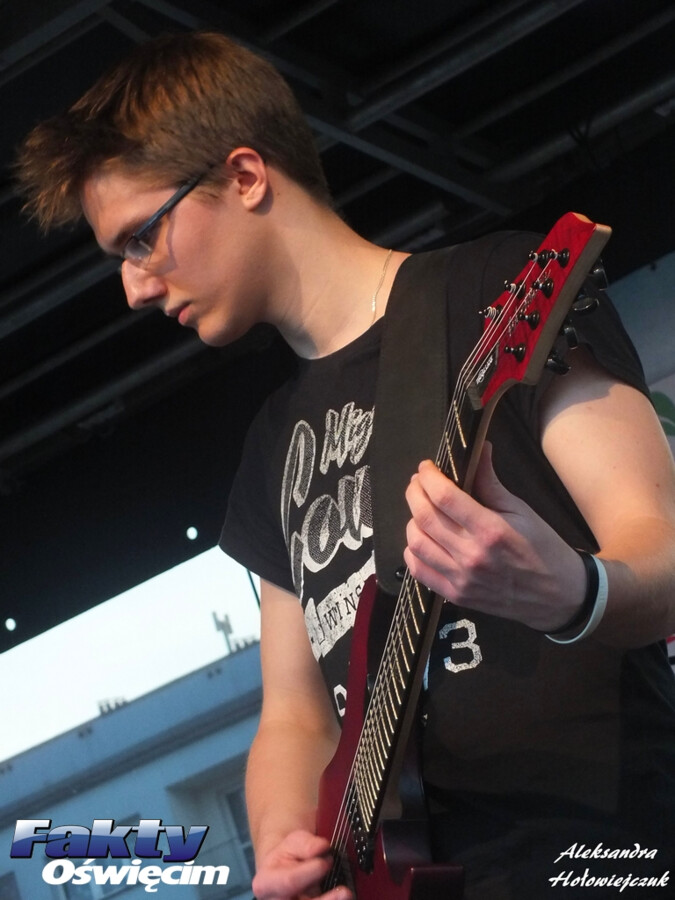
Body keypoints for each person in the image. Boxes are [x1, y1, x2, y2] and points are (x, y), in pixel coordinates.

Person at [15, 31, 675, 899]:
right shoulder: (270, 446)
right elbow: (295, 714)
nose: (134, 287)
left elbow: (660, 549)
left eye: (141, 239)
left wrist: (573, 592)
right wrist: (283, 847)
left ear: (244, 176)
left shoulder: (496, 292)